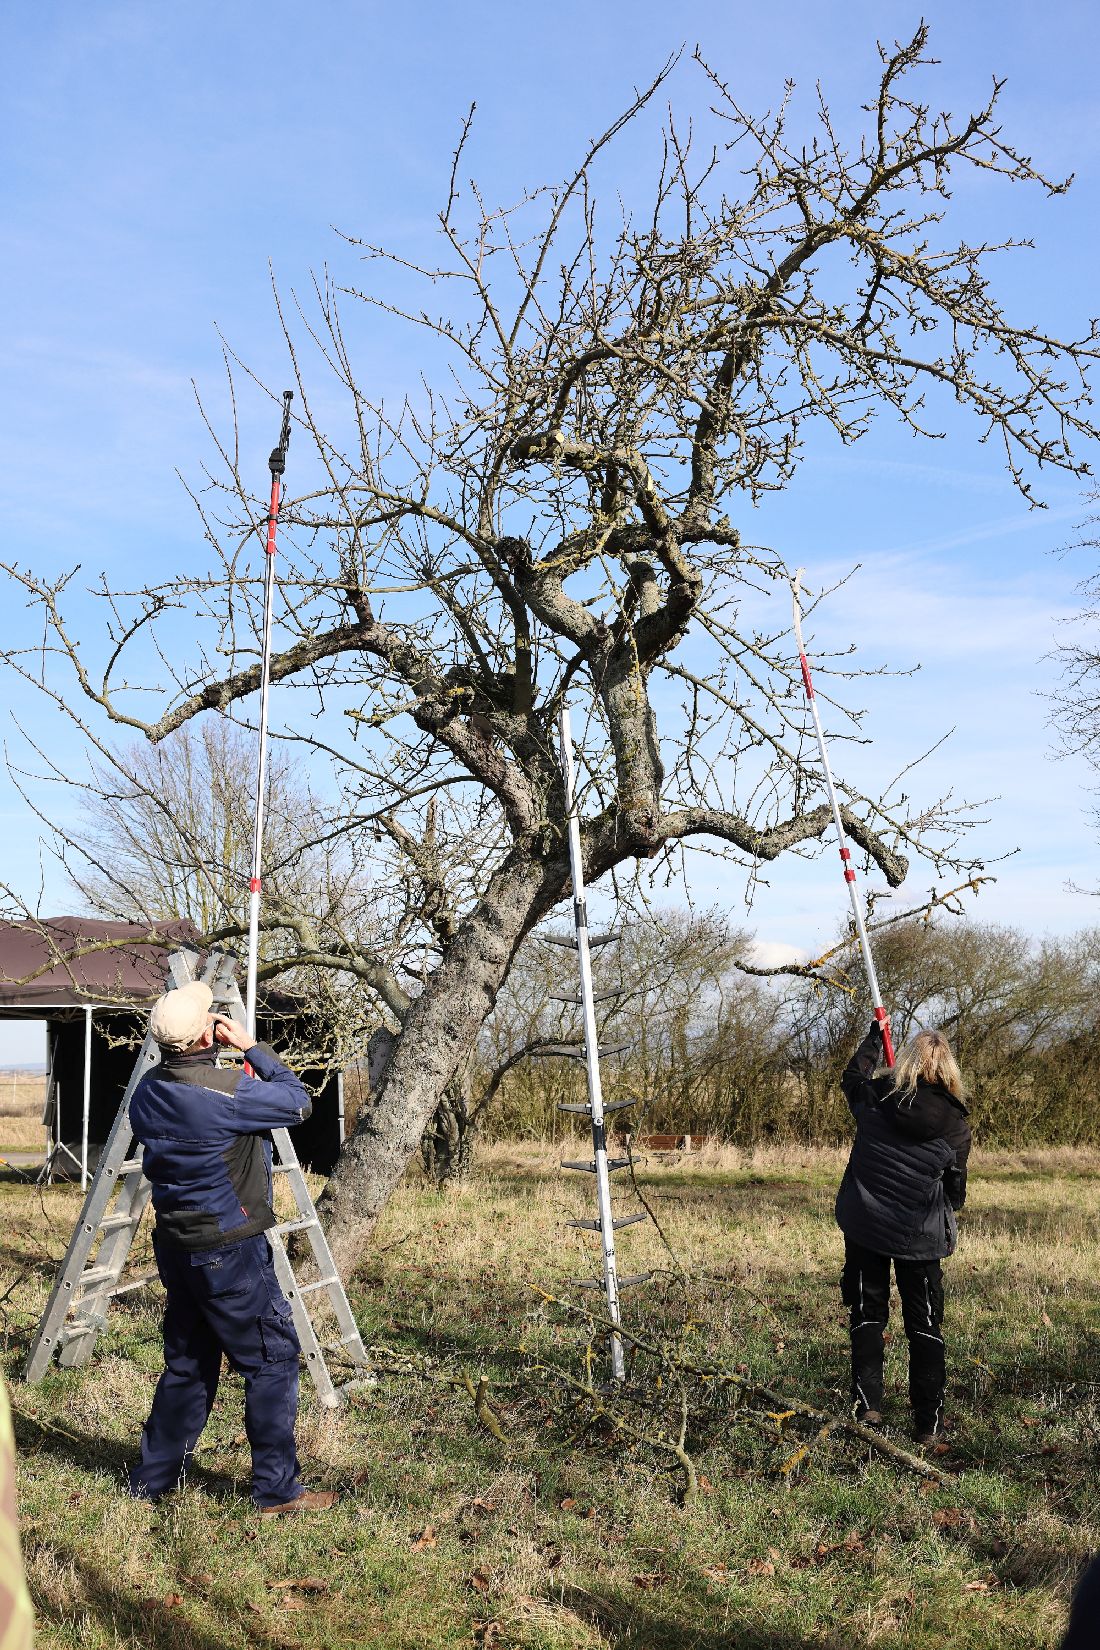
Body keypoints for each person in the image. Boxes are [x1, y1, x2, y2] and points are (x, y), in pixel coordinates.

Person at [127, 978, 336, 1516]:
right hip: (229, 1249)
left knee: (188, 1363)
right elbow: (298, 1103)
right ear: (206, 1036)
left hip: (176, 1244)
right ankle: (276, 1491)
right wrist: (250, 1048)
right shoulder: (226, 1093)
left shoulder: (146, 1091)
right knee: (272, 1361)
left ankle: (151, 1482)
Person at [836, 1021, 972, 1445]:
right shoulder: (956, 1124)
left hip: (865, 1225)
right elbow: (955, 1192)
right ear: (948, 1070)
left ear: (907, 1063)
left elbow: (852, 1077)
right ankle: (928, 1427)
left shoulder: (876, 1096)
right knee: (925, 1325)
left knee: (867, 1314)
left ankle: (867, 1409)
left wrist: (874, 1037)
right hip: (921, 1235)